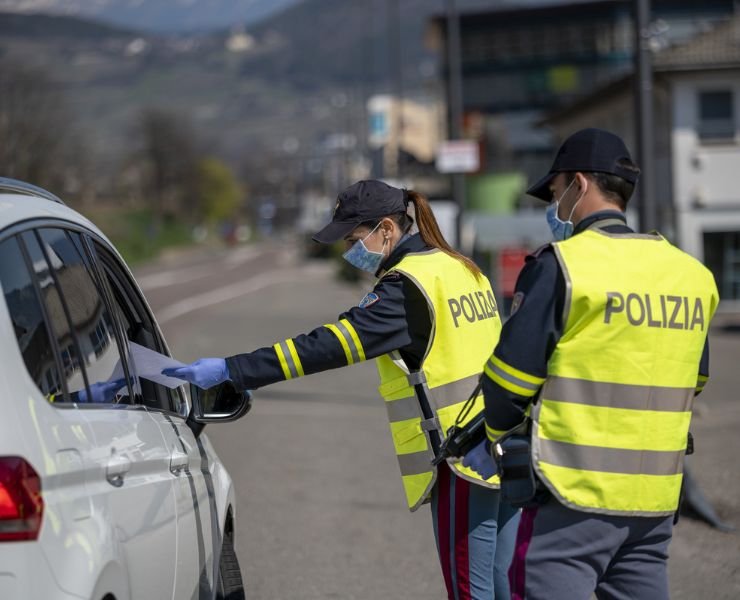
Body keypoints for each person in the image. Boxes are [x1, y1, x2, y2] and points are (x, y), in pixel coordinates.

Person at [164, 180, 520, 599]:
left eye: (354, 239)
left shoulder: (406, 287)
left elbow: (327, 346)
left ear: (386, 229)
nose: (351, 251)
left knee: (471, 591)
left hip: (462, 458)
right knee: (504, 585)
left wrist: (233, 370)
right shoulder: (461, 266)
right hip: (502, 444)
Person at [467, 128, 718, 600]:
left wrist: (498, 439)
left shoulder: (561, 265)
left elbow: (507, 384)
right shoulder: (692, 275)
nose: (554, 204)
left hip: (571, 494)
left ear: (579, 185)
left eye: (557, 190)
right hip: (655, 498)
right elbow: (694, 380)